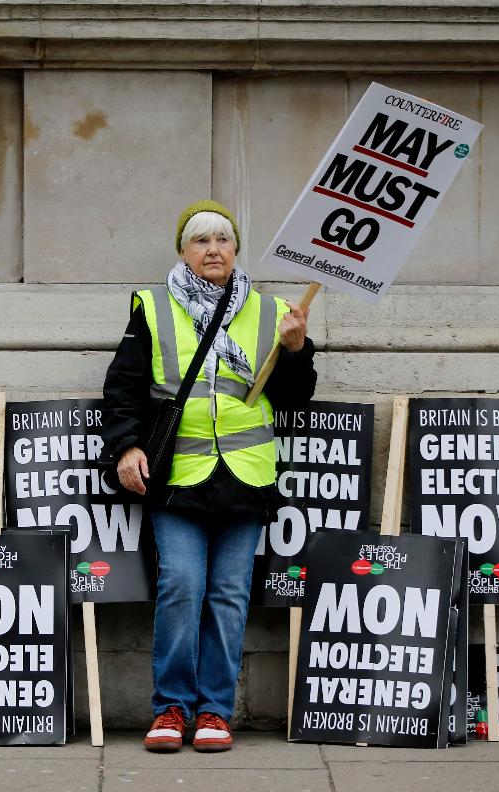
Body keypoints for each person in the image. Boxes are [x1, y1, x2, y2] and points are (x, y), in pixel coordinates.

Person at [101, 200, 317, 753]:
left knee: (228, 593)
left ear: (236, 249)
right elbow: (122, 387)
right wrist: (126, 447)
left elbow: (294, 397)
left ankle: (216, 712)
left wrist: (295, 350)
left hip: (245, 475)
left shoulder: (273, 312)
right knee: (181, 587)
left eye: (222, 239)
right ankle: (171, 707)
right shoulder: (152, 306)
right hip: (179, 476)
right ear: (183, 250)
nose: (213, 249)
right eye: (200, 241)